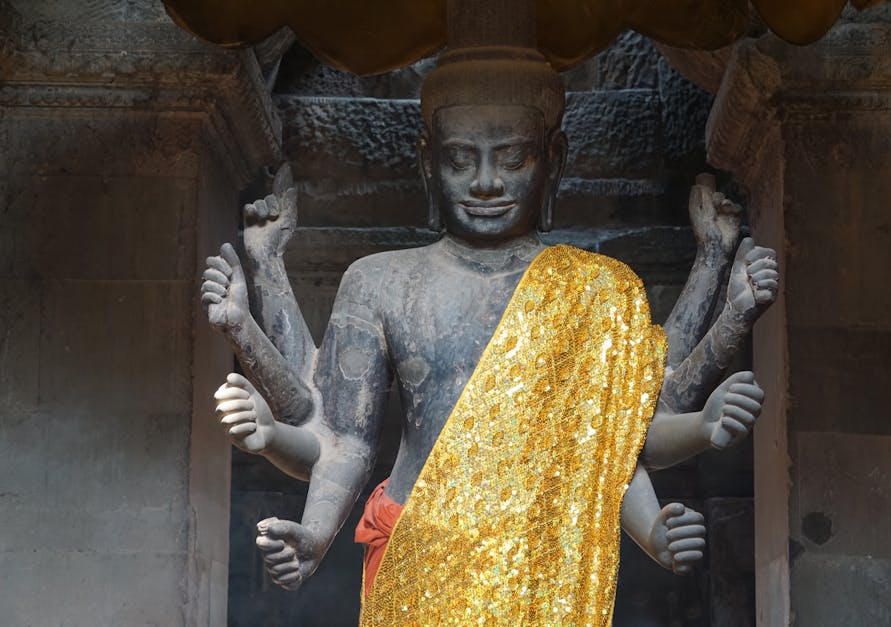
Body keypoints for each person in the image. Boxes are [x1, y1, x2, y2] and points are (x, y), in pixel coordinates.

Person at [201, 30, 776, 625]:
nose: (485, 182)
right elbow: (344, 441)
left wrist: (659, 521)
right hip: (418, 554)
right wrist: (315, 533)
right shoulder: (379, 283)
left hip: (544, 562)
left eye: (513, 157)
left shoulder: (597, 290)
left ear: (555, 159)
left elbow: (611, 444)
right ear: (427, 161)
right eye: (459, 158)